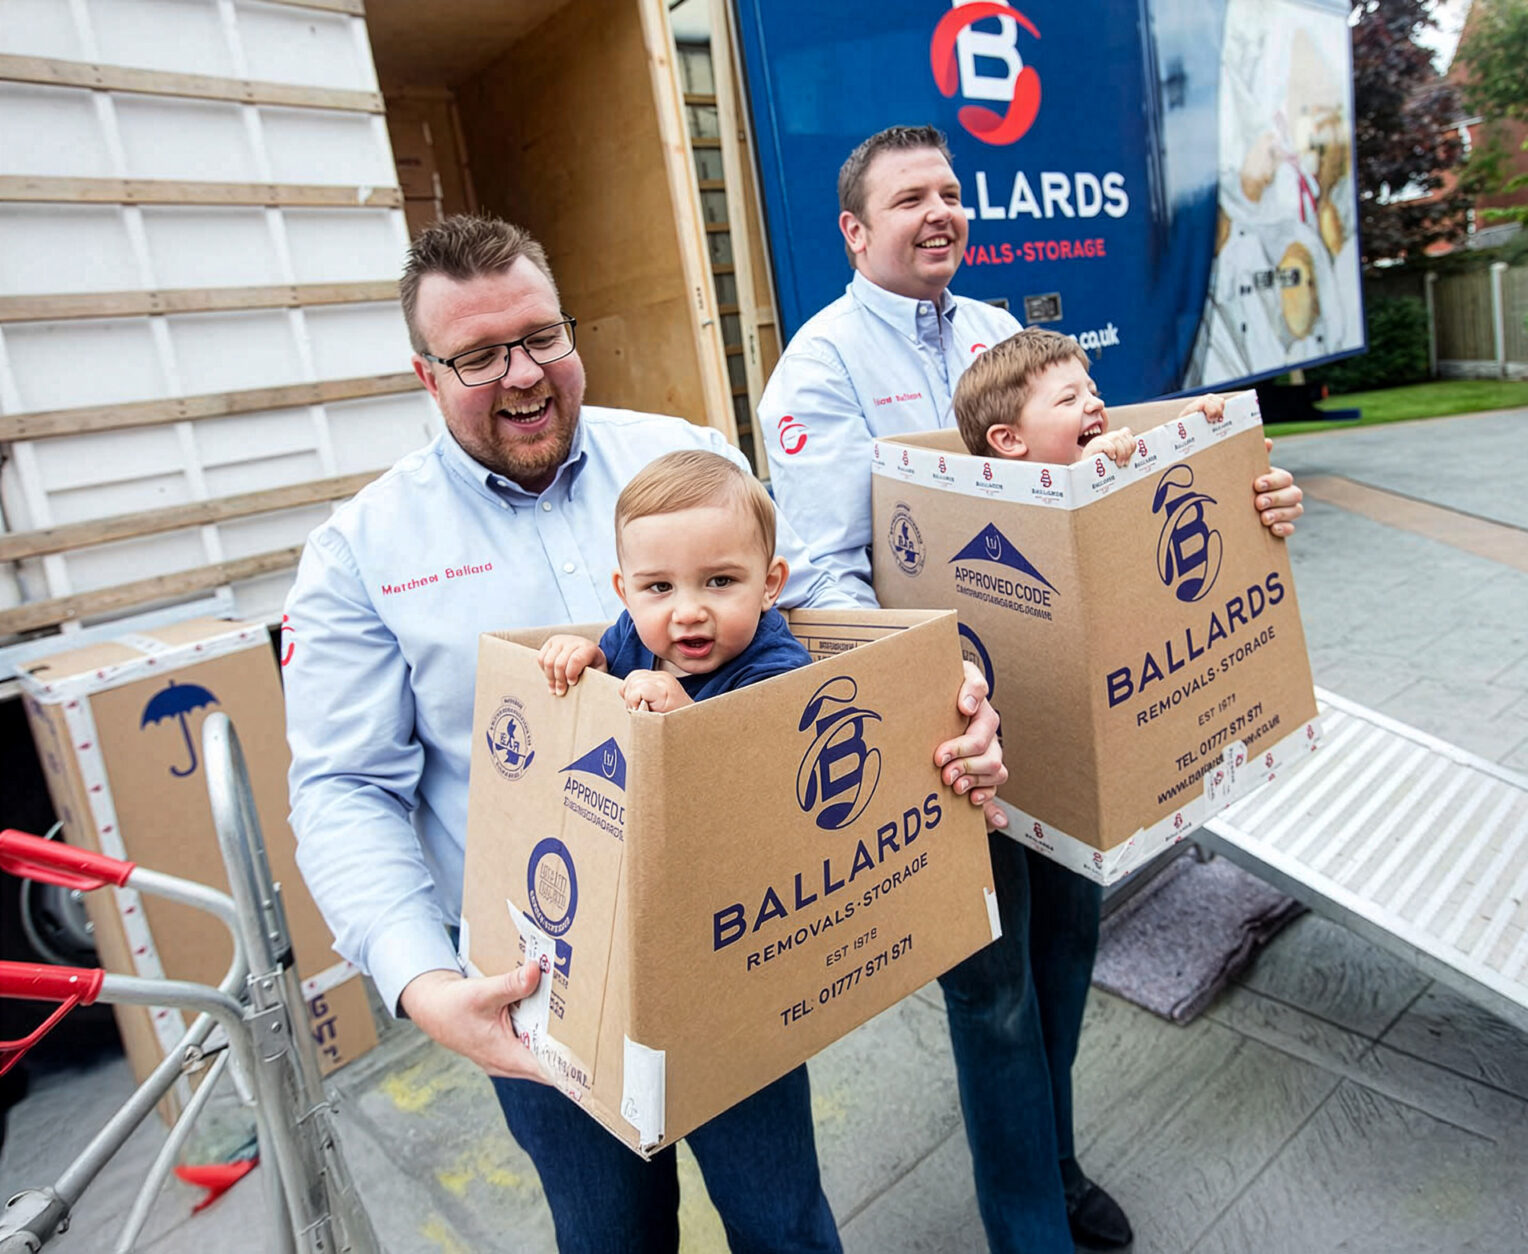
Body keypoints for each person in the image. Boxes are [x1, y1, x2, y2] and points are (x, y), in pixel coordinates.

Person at [282, 213, 1007, 1254]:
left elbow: (813, 614)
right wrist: (424, 983)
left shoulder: (687, 456)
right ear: (425, 374)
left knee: (785, 1222)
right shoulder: (360, 551)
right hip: (536, 986)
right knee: (611, 1237)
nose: (521, 374)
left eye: (540, 336)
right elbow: (345, 790)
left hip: (740, 942)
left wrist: (948, 693)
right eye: (478, 356)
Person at [757, 126, 1304, 1254]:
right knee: (992, 993)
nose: (941, 211)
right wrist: (936, 685)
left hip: (1063, 711)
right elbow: (818, 574)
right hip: (949, 730)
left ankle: (1052, 1163)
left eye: (952, 191)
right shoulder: (819, 368)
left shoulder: (999, 333)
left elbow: (1095, 483)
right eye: (910, 198)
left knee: (1064, 952)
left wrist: (1242, 493)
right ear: (856, 232)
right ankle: (1027, 1227)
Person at [535, 449, 811, 711]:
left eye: (720, 581)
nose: (689, 613)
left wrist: (684, 720)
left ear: (769, 584)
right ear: (626, 594)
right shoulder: (629, 634)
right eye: (660, 587)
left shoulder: (778, 670)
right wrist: (592, 666)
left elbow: (769, 751)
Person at [956, 327, 1228, 464]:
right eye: (1068, 399)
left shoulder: (1116, 463)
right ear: (1010, 438)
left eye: (1093, 392)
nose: (1096, 403)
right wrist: (1087, 483)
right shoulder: (1007, 515)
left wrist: (1188, 434)